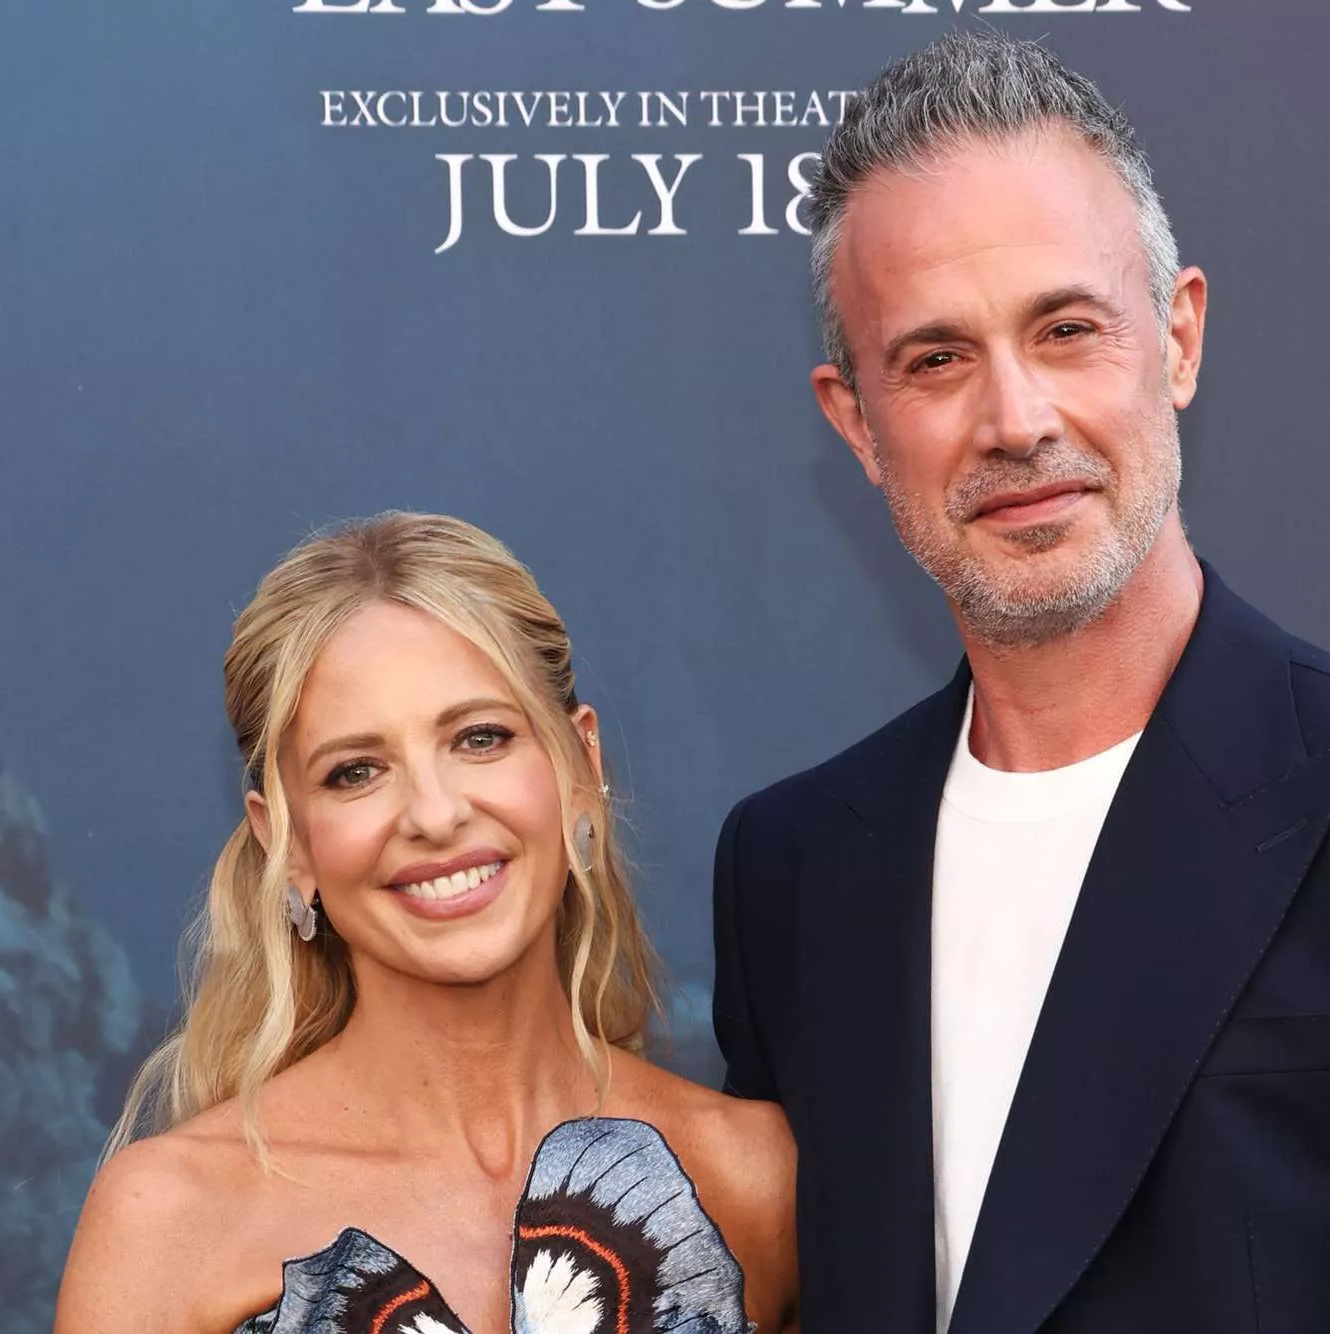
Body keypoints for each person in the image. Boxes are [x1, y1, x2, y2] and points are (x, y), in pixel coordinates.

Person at [711, 32, 1330, 1334]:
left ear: (1177, 339)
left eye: (1067, 330)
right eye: (936, 359)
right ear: (854, 421)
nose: (1016, 419)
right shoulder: (792, 870)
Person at [57, 513, 797, 1334]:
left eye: (480, 738)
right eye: (356, 772)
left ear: (580, 768)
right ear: (287, 844)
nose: (436, 815)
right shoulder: (167, 1221)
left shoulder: (756, 1174)